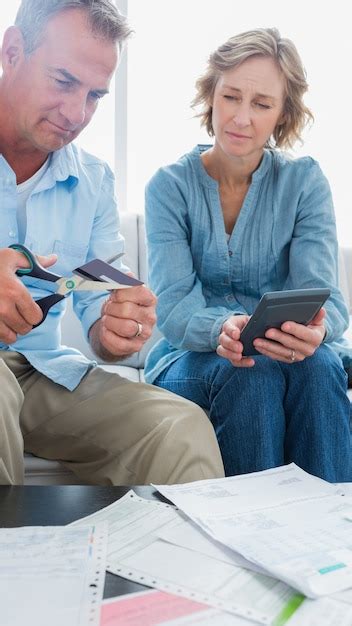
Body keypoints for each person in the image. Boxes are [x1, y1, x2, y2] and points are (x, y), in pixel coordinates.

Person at [0, 0, 225, 486]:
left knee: (178, 428)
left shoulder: (94, 180)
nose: (76, 113)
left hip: (42, 372)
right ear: (13, 51)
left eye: (95, 95)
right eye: (63, 81)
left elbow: (99, 307)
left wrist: (114, 327)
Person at [144, 27, 352, 482]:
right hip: (194, 357)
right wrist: (222, 327)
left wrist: (318, 330)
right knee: (250, 370)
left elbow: (327, 300)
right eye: (231, 97)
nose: (241, 117)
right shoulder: (170, 187)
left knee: (321, 364)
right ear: (211, 96)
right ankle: (249, 536)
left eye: (261, 104)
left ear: (282, 114)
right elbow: (175, 308)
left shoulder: (304, 183)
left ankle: (334, 533)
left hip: (290, 356)